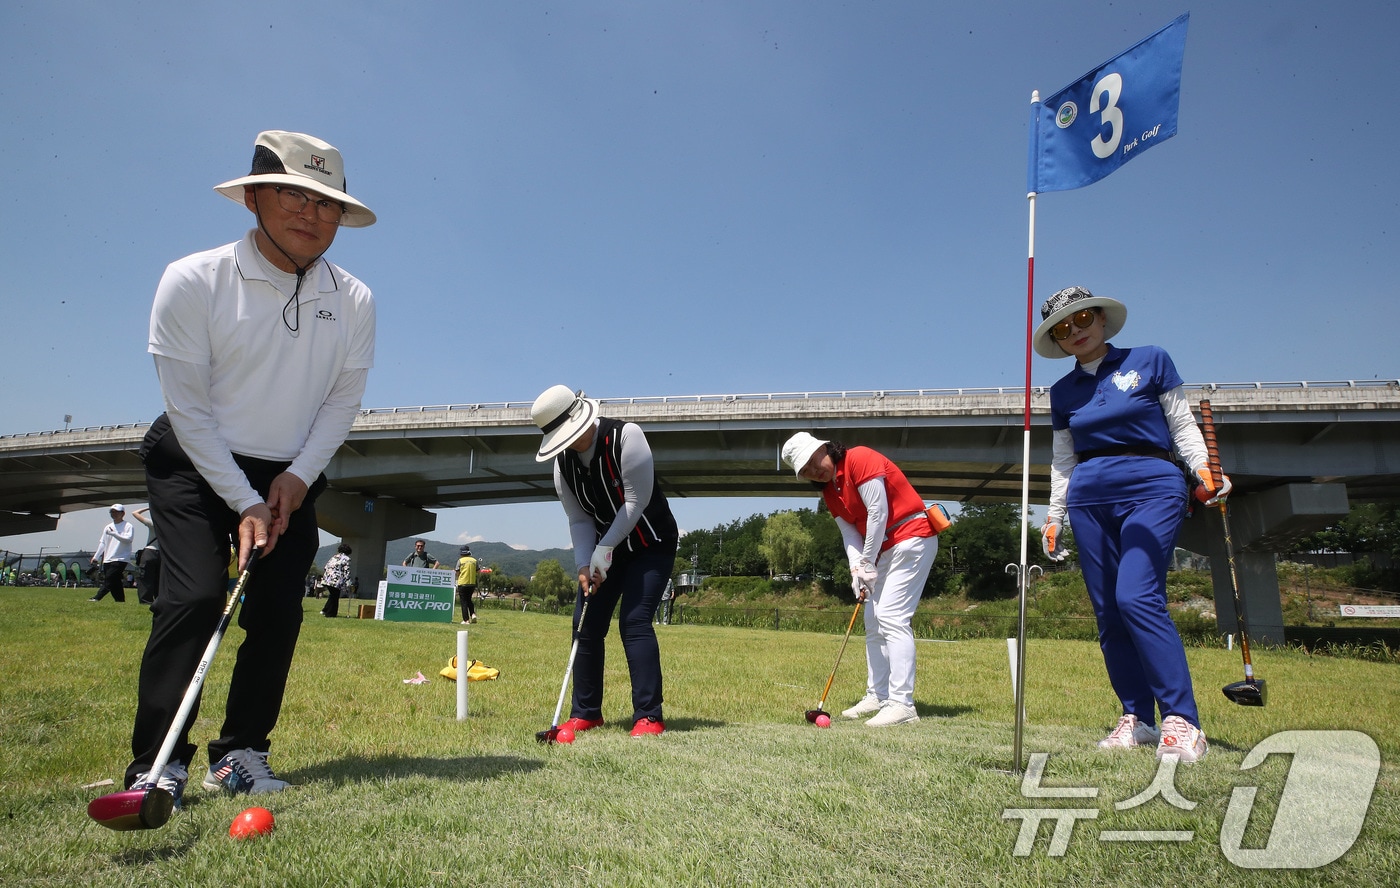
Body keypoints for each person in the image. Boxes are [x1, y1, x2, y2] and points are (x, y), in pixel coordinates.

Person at [123, 130, 376, 807]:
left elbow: (340, 404)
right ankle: (157, 765)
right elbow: (188, 410)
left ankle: (240, 752)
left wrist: (294, 480)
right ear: (254, 197)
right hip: (193, 458)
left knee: (278, 612)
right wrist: (243, 500)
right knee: (196, 599)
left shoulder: (355, 300)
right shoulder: (193, 279)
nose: (309, 213)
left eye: (326, 203)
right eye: (293, 193)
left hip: (290, 470)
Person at [1036, 286, 1232, 764]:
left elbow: (1182, 424)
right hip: (1089, 496)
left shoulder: (1149, 359)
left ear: (1101, 319)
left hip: (1154, 485)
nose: (1075, 331)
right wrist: (1054, 515)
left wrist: (1202, 467)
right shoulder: (1062, 392)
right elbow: (1064, 460)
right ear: (1057, 342)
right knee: (1108, 612)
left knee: (1136, 596)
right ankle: (1137, 718)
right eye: (1062, 329)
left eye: (1082, 319)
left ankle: (1182, 720)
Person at [531, 385, 679, 737]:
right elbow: (579, 519)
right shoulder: (562, 466)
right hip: (603, 551)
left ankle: (649, 715)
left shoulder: (627, 437)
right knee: (586, 623)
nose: (570, 442)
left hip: (651, 544)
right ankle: (586, 712)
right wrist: (585, 564)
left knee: (634, 620)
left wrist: (606, 546)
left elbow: (635, 501)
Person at [781, 433, 937, 727]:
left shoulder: (860, 458)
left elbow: (879, 512)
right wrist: (857, 570)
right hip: (883, 550)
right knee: (873, 621)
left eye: (813, 460)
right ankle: (878, 694)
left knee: (892, 617)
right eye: (806, 470)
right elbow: (850, 533)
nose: (815, 470)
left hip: (912, 538)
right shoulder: (829, 492)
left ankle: (902, 704)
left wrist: (867, 562)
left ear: (824, 448)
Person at [89, 504, 135, 602]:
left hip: (120, 558)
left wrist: (114, 534)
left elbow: (128, 539)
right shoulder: (108, 527)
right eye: (112, 512)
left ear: (123, 513)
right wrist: (96, 556)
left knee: (109, 579)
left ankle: (97, 597)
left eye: (116, 512)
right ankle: (120, 601)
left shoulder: (128, 526)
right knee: (115, 581)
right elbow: (103, 543)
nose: (113, 514)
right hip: (108, 558)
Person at [131, 506, 161, 605]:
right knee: (159, 579)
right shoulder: (171, 526)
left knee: (145, 578)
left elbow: (135, 513)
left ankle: (145, 600)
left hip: (150, 552)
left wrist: (148, 508)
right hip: (163, 554)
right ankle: (160, 599)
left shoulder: (153, 524)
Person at [319, 543, 352, 618]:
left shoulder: (334, 557)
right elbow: (346, 571)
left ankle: (325, 610)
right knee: (335, 596)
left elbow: (326, 567)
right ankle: (330, 613)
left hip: (327, 579)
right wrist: (348, 583)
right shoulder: (346, 559)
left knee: (332, 595)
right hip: (336, 580)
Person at [455, 545, 479, 624]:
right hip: (472, 583)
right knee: (469, 600)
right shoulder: (474, 561)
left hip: (463, 583)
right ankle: (473, 614)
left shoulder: (460, 561)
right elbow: (478, 571)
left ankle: (466, 620)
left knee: (464, 602)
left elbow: (457, 572)